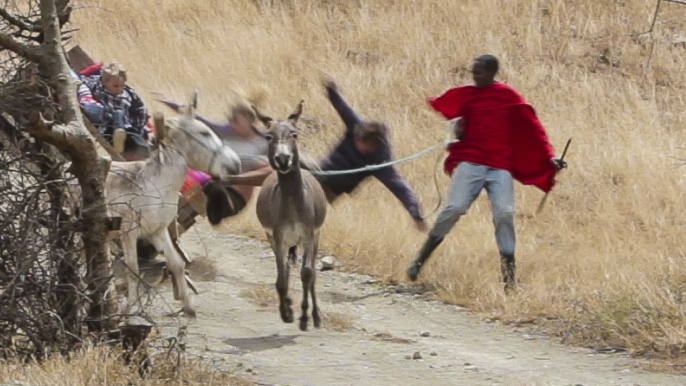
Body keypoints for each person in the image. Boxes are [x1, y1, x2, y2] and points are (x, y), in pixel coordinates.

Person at [406, 54, 567, 292]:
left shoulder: (508, 96)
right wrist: (458, 131)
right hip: (471, 162)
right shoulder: (467, 95)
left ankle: (509, 281)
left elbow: (533, 128)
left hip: (499, 166)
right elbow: (456, 123)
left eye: (478, 72)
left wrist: (549, 156)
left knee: (505, 213)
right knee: (455, 208)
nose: (474, 76)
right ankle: (419, 261)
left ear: (492, 72)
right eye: (473, 72)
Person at [224, 76, 428, 232]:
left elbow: (401, 187)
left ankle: (228, 179)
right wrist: (331, 89)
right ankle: (231, 187)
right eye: (356, 139)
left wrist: (416, 214)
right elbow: (342, 106)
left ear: (374, 145)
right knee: (274, 159)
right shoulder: (357, 126)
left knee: (281, 173)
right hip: (318, 168)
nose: (357, 144)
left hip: (328, 189)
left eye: (362, 145)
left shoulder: (381, 162)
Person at [154, 97, 269, 225]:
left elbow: (270, 170)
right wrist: (172, 104)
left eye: (235, 120)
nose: (231, 123)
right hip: (211, 184)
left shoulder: (262, 142)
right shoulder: (227, 131)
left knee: (209, 188)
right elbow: (200, 121)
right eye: (230, 120)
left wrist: (247, 166)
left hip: (233, 197)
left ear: (249, 120)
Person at [80, 62, 151, 160]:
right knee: (112, 113)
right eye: (116, 86)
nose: (120, 89)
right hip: (106, 124)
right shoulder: (96, 85)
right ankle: (118, 136)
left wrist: (137, 128)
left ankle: (120, 137)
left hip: (126, 127)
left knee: (122, 117)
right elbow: (81, 81)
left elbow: (141, 111)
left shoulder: (129, 93)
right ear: (104, 81)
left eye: (122, 85)